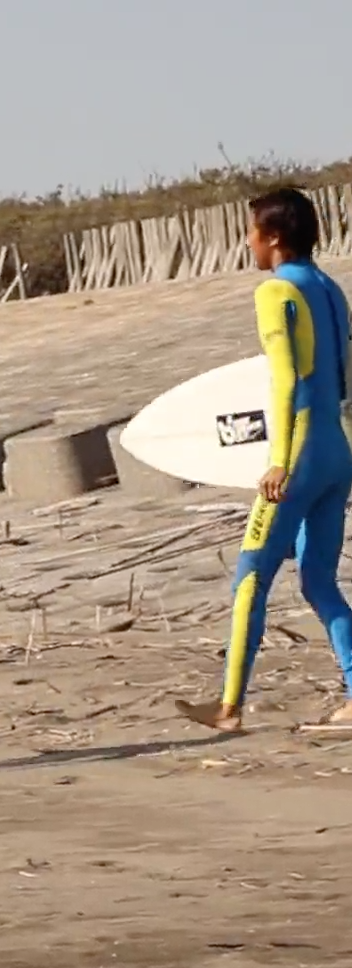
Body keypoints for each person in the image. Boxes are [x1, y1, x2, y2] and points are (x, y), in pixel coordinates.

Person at [176, 187, 352, 732]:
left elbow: (286, 379)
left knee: (251, 575)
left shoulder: (276, 292)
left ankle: (228, 707)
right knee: (318, 580)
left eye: (251, 232)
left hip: (298, 457)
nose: (248, 242)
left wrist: (279, 461)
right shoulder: (330, 288)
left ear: (273, 237)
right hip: (337, 451)